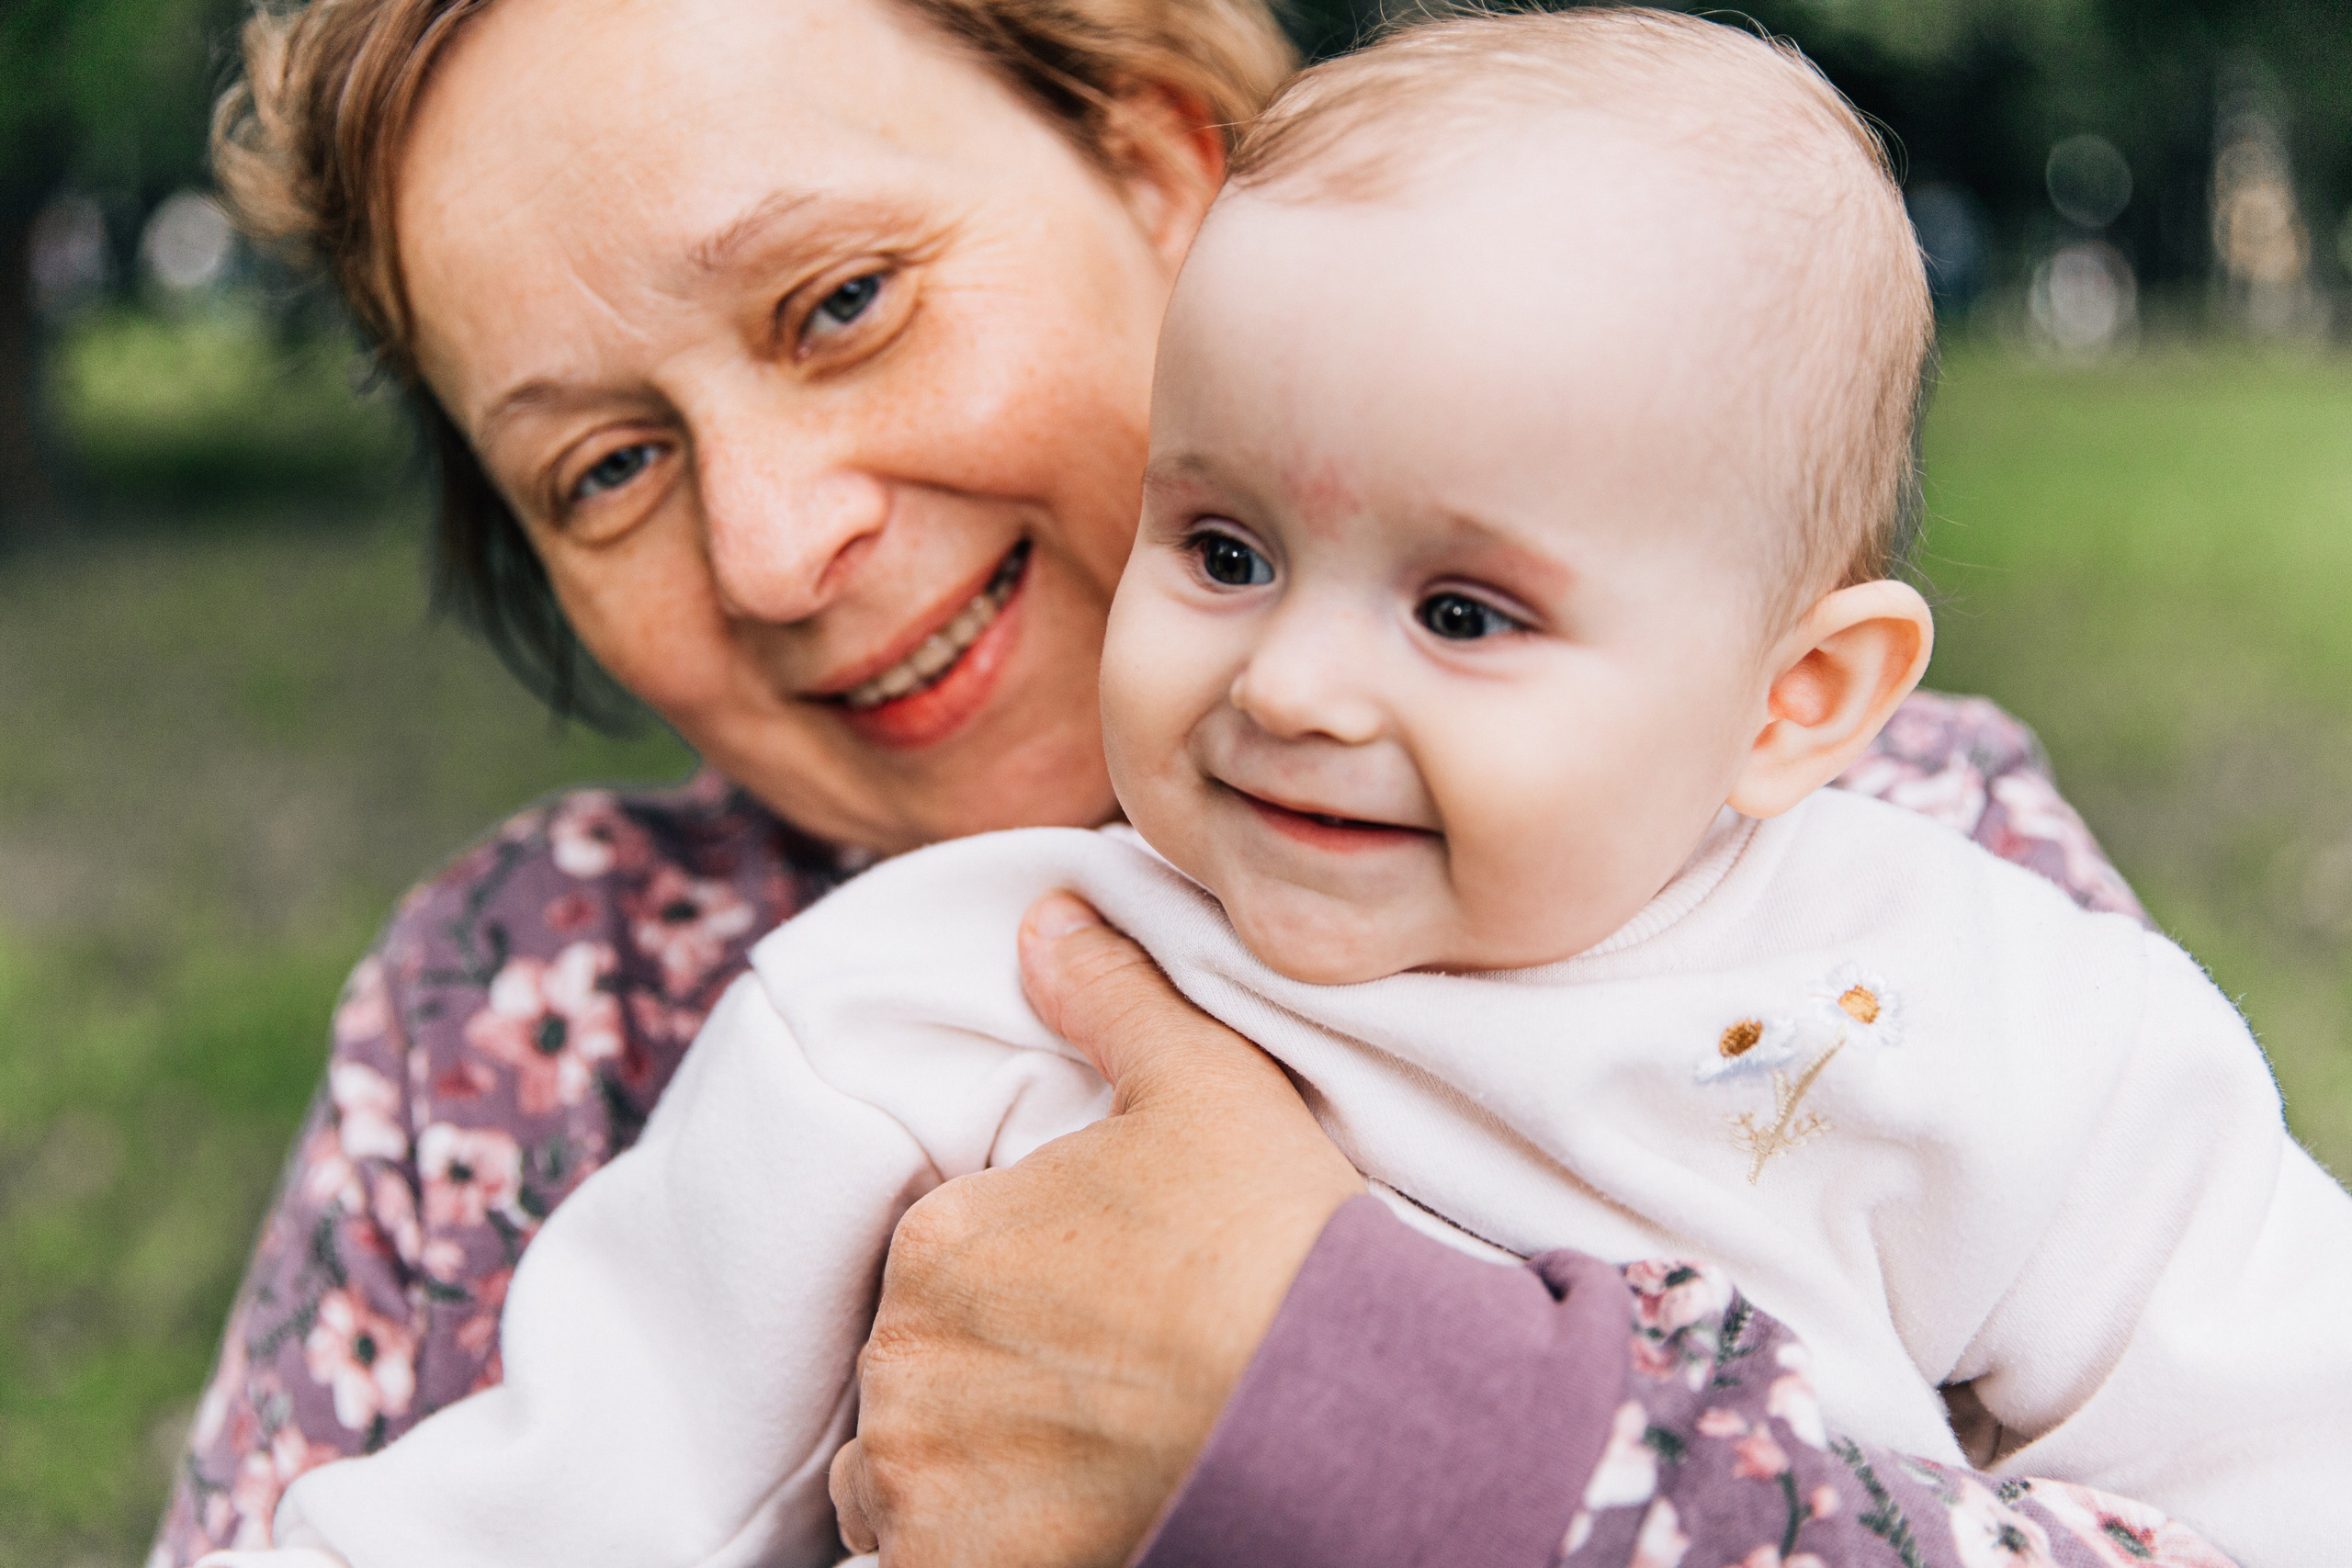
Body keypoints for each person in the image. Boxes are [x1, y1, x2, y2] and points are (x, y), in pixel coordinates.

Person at [189, 11, 2336, 1567]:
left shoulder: (1947, 960)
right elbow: (562, 1478)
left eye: (841, 300)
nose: (773, 541)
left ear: (1157, 177)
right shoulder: (803, 994)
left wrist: (1405, 1429)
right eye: (606, 464)